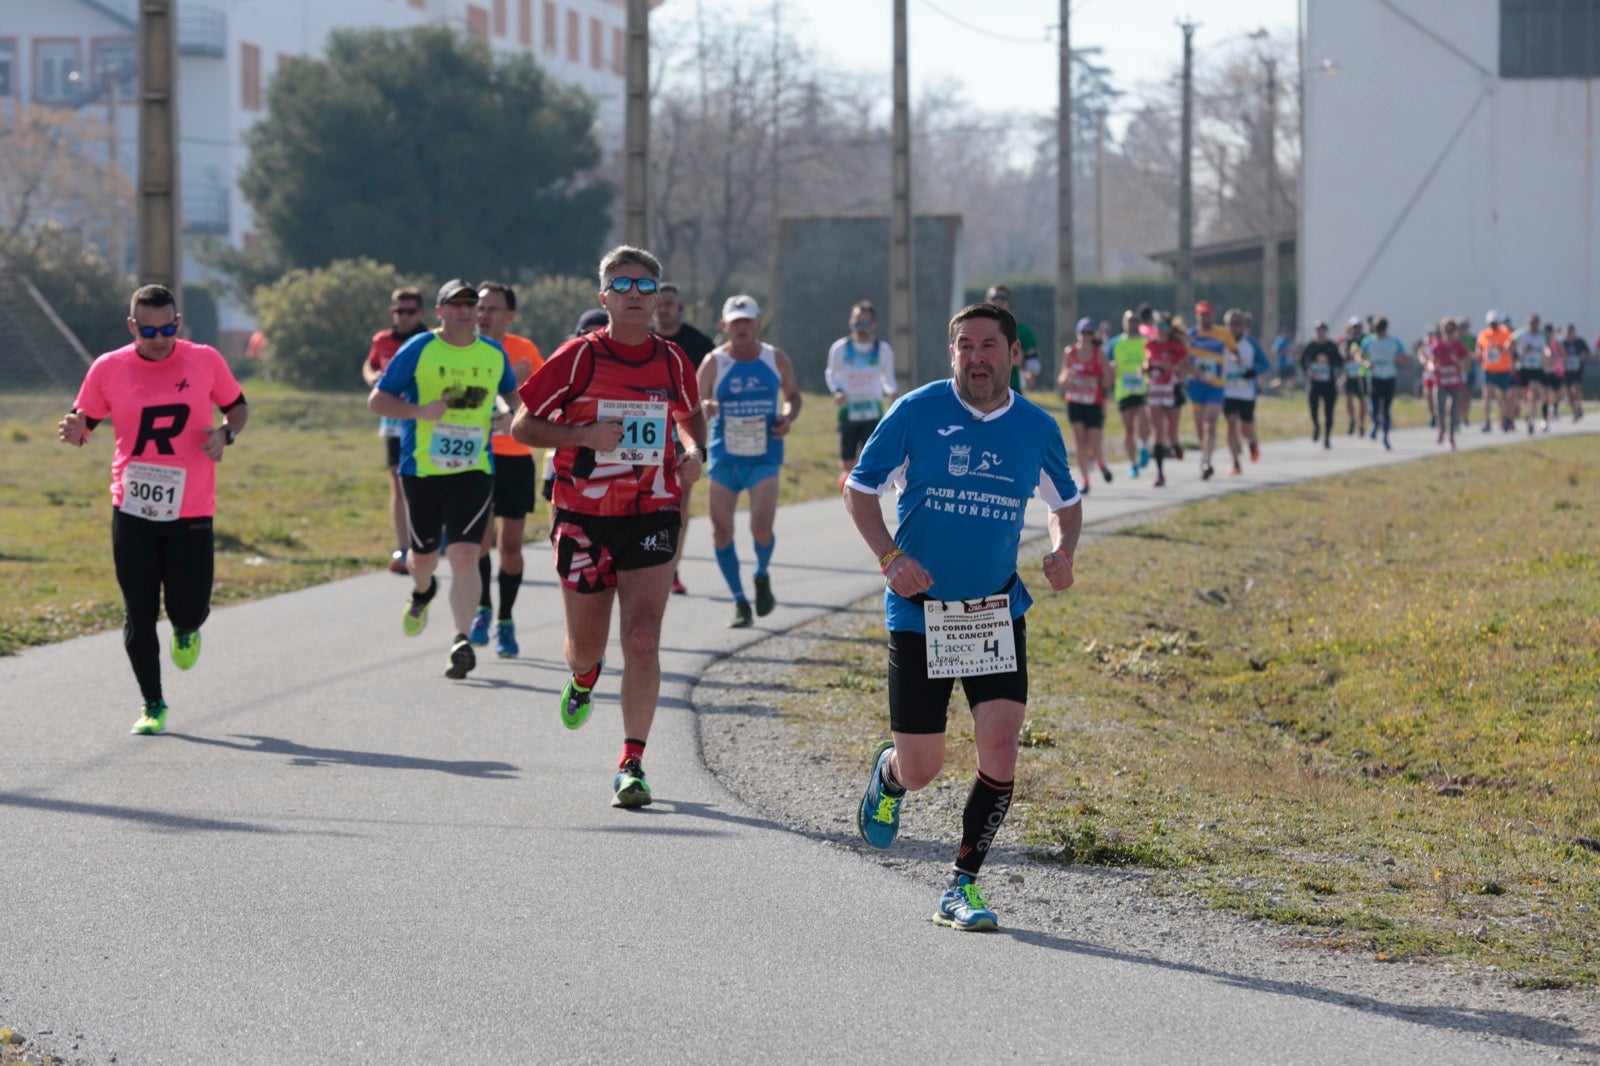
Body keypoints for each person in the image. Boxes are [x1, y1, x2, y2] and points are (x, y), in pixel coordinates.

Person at [844, 301, 1082, 932]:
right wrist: (890, 556)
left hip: (995, 609)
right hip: (922, 614)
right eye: (964, 346)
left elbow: (1066, 502)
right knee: (923, 769)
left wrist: (1063, 549)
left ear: (1011, 353)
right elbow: (859, 489)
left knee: (1000, 748)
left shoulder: (1035, 427)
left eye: (988, 346)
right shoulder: (916, 412)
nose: (976, 357)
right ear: (952, 353)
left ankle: (961, 885)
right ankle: (889, 776)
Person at [510, 246, 706, 809]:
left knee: (642, 639)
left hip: (653, 510)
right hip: (583, 516)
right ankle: (583, 676)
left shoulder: (672, 361)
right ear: (604, 298)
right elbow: (524, 426)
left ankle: (632, 762)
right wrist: (585, 438)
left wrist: (694, 452)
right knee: (587, 647)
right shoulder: (578, 358)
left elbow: (691, 416)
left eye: (647, 287)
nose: (636, 296)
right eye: (623, 286)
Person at [57, 284, 249, 735]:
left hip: (192, 507)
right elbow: (84, 422)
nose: (159, 337)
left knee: (188, 608)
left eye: (167, 327)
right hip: (133, 506)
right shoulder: (108, 367)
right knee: (138, 610)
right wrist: (74, 431)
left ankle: (186, 627)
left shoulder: (205, 359)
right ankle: (153, 702)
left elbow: (237, 407)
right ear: (132, 326)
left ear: (177, 322)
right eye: (148, 329)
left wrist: (225, 435)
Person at [369, 280, 520, 681]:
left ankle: (460, 640)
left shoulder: (492, 353)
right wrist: (418, 411)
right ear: (441, 311)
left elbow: (511, 394)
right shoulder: (418, 349)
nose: (466, 311)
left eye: (472, 305)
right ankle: (422, 592)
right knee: (422, 560)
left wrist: (509, 416)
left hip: (474, 469)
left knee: (466, 555)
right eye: (457, 305)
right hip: (422, 469)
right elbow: (378, 400)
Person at [698, 294, 803, 628]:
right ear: (724, 325)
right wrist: (706, 408)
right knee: (720, 531)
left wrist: (787, 418)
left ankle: (760, 574)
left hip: (764, 456)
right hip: (725, 457)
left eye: (747, 321)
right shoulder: (715, 362)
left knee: (761, 527)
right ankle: (739, 601)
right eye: (735, 321)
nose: (741, 327)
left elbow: (793, 398)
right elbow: (696, 404)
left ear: (758, 324)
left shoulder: (775, 358)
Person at [466, 282, 545, 659]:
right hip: (475, 457)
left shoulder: (526, 350)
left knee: (510, 546)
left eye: (493, 309)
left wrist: (516, 397)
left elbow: (545, 399)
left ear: (510, 316)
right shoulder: (466, 348)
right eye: (480, 308)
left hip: (514, 457)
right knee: (479, 540)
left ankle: (506, 620)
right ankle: (482, 608)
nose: (484, 315)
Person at [653, 284, 717, 596]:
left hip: (683, 431)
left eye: (669, 304)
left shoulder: (698, 343)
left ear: (680, 309)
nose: (663, 309)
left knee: (678, 504)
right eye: (659, 304)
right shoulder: (642, 340)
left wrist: (709, 403)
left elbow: (714, 381)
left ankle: (671, 568)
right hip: (647, 433)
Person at [363, 287, 431, 574]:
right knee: (397, 478)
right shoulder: (383, 339)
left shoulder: (430, 340)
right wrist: (373, 378)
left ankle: (428, 540)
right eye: (398, 311)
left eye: (409, 311)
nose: (403, 317)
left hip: (424, 417)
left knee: (425, 479)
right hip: (394, 417)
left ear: (421, 313)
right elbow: (370, 364)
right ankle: (404, 548)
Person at [825, 300, 898, 489]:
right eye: (857, 322)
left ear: (874, 324)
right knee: (847, 462)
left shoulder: (883, 350)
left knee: (870, 456)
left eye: (865, 323)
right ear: (851, 322)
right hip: (849, 409)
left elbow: (887, 378)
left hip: (872, 410)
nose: (861, 327)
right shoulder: (840, 348)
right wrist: (837, 391)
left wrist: (892, 392)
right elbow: (831, 373)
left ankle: (866, 494)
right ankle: (850, 493)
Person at [1058, 317, 1114, 494]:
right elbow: (1061, 378)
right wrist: (1067, 377)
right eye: (1083, 332)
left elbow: (1110, 378)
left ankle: (1100, 463)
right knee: (1080, 441)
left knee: (1094, 442)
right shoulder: (1070, 352)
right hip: (1075, 401)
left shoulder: (1099, 354)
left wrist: (1100, 380)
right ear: (1078, 333)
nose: (1086, 336)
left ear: (1093, 335)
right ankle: (1085, 480)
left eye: (1089, 333)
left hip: (1094, 402)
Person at [1185, 299, 1232, 479]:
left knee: (1210, 422)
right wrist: (1194, 372)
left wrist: (1236, 359)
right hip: (1196, 385)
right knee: (1199, 428)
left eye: (1208, 314)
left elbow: (1234, 351)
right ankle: (1204, 453)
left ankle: (1206, 460)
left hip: (1216, 386)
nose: (1205, 317)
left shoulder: (1223, 333)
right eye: (1201, 314)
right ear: (1197, 315)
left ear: (1213, 315)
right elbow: (1184, 360)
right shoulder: (1190, 336)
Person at [1143, 313, 1189, 486]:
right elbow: (1146, 364)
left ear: (1169, 329)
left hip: (1172, 389)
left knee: (1171, 432)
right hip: (1155, 390)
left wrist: (1174, 367)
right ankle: (1160, 473)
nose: (1161, 331)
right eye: (1158, 327)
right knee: (1158, 433)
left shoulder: (1177, 345)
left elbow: (1185, 368)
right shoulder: (1149, 345)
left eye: (1164, 327)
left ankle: (1176, 444)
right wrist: (1144, 369)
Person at [1222, 308, 1269, 473]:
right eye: (1231, 324)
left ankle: (1253, 442)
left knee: (1246, 428)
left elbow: (1265, 364)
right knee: (1231, 422)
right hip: (1228, 391)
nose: (1234, 327)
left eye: (1238, 324)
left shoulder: (1251, 343)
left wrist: (1253, 372)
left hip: (1247, 392)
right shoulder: (1221, 343)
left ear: (1244, 326)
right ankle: (1235, 463)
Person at [1108, 310, 1151, 479]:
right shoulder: (1115, 343)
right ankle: (1133, 464)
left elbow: (1151, 360)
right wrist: (1111, 369)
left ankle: (1143, 446)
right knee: (1128, 429)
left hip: (1142, 387)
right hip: (1124, 389)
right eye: (1129, 320)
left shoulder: (1146, 342)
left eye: (1135, 320)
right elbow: (1107, 364)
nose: (1132, 323)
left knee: (1144, 420)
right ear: (1123, 323)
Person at [1359, 317, 1406, 449]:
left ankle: (1385, 438)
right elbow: (1360, 356)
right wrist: (1366, 363)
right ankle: (1375, 423)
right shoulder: (1369, 341)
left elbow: (1403, 357)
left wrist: (1399, 360)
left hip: (1389, 378)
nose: (1379, 333)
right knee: (1373, 406)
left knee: (1386, 409)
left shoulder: (1394, 342)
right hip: (1375, 377)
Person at [984, 284, 1040, 389]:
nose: (999, 301)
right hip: (982, 392)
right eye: (995, 298)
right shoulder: (978, 330)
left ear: (1010, 302)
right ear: (987, 302)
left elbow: (1035, 367)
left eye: (1003, 298)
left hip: (1012, 392)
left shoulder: (1022, 331)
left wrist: (1022, 361)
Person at [1300, 321, 1343, 448]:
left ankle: (1327, 437)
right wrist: (1307, 371)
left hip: (1329, 384)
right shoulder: (1311, 346)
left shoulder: (1332, 346)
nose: (1320, 333)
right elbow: (1302, 361)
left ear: (1326, 332)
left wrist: (1330, 364)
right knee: (1313, 408)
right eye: (1318, 331)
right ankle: (1316, 427)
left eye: (1322, 331)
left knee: (1329, 412)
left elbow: (1340, 362)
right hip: (1315, 383)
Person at [1429, 318, 1470, 450]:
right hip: (1440, 382)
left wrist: (1458, 362)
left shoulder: (1459, 347)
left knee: (1452, 411)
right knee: (1440, 407)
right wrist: (1431, 368)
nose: (1448, 333)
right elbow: (1430, 361)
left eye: (1451, 330)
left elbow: (1466, 366)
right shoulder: (1437, 346)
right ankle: (1441, 429)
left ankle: (1451, 437)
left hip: (1455, 383)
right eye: (1446, 330)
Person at [1476, 311, 1515, 432]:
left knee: (1503, 396)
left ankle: (1506, 418)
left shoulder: (1505, 333)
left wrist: (1503, 347)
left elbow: (1511, 346)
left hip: (1503, 369)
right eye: (1491, 323)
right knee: (1487, 395)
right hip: (1489, 369)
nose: (1493, 325)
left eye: (1495, 323)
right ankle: (1487, 421)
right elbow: (1479, 348)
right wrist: (1478, 355)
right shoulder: (1484, 334)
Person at [1339, 316, 1369, 437]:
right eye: (1353, 327)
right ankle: (1352, 420)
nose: (1356, 329)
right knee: (1348, 398)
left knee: (1362, 400)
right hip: (1349, 373)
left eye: (1358, 327)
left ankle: (1361, 424)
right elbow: (1343, 353)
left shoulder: (1365, 340)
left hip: (1361, 373)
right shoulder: (1346, 340)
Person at [1560, 324, 1588, 422]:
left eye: (1571, 332)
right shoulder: (1562, 344)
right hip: (1566, 371)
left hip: (1577, 370)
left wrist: (1582, 357)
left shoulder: (1580, 342)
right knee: (1568, 394)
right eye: (1567, 332)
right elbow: (1558, 356)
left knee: (1576, 389)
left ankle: (1579, 406)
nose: (1569, 334)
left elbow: (1586, 353)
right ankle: (1575, 411)